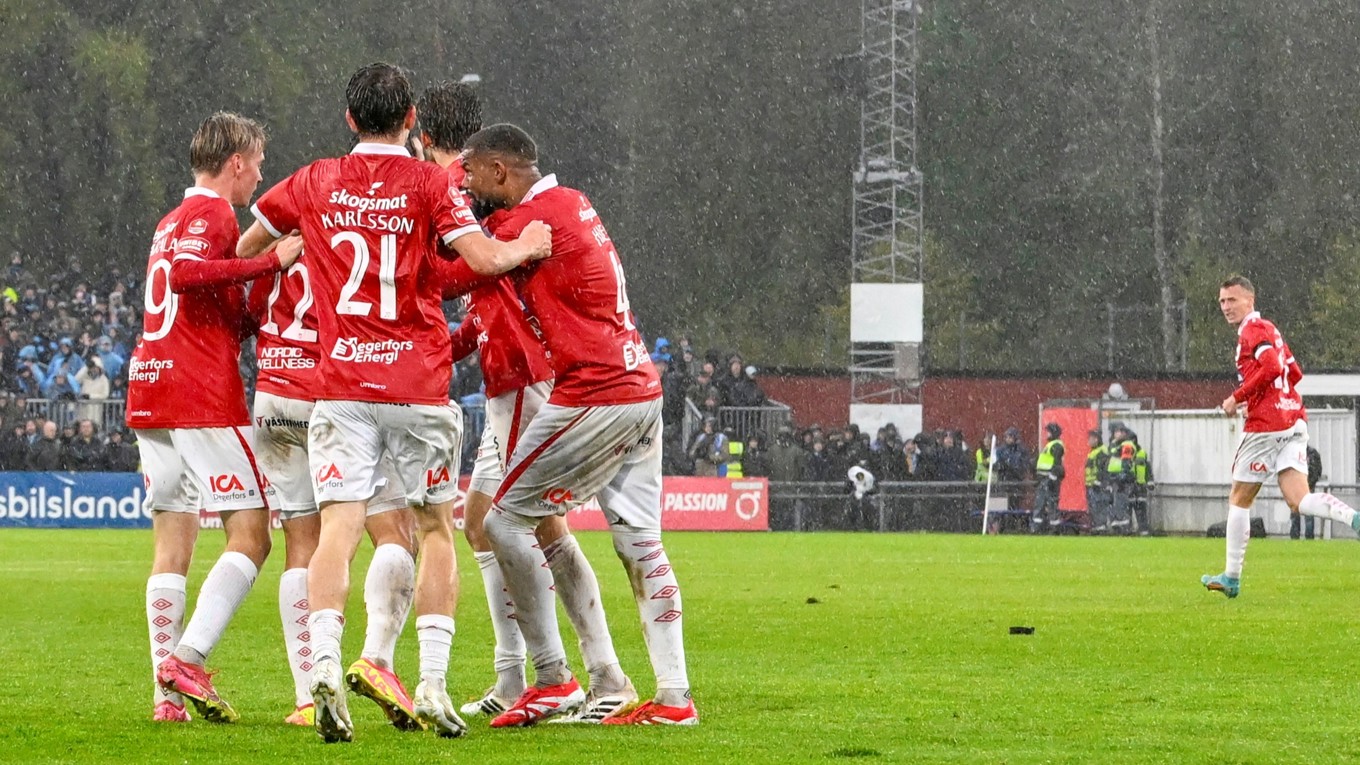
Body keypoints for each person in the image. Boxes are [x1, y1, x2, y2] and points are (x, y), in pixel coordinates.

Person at [238, 64, 550, 743]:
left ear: (350, 119)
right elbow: (482, 258)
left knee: (339, 528)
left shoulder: (313, 179)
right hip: (417, 384)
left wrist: (301, 247)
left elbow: (249, 243)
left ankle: (324, 664)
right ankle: (434, 682)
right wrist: (524, 244)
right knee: (437, 529)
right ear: (411, 117)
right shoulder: (432, 182)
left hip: (343, 387)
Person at [462, 123, 696, 726]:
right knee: (641, 543)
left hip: (595, 393)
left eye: (471, 175)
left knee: (504, 520)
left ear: (498, 173)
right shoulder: (574, 202)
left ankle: (552, 679)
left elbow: (452, 263)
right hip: (640, 385)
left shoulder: (524, 222)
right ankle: (673, 698)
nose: (467, 187)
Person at [414, 81, 580, 722]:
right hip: (510, 365)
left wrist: (418, 286)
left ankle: (571, 675)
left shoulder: (453, 186)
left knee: (526, 523)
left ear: (423, 138)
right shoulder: (480, 181)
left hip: (522, 368)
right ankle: (522, 676)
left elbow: (473, 270)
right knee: (486, 521)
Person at [129, 112, 302, 725]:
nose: (259, 173)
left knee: (171, 546)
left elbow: (211, 302)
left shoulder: (169, 221)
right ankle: (188, 659)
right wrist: (272, 261)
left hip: (151, 389)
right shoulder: (213, 214)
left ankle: (164, 699)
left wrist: (261, 301)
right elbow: (188, 275)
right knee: (251, 534)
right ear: (235, 162)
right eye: (256, 162)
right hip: (199, 392)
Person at [247, 230, 423, 730]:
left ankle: (306, 696)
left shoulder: (278, 246)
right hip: (331, 396)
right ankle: (376, 659)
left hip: (270, 397)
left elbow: (253, 311)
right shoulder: (344, 245)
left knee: (300, 543)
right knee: (392, 531)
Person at [1202, 276, 1360, 598]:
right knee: (1299, 500)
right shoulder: (1271, 330)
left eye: (1232, 300)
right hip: (1293, 419)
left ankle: (1231, 577)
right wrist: (1266, 397)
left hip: (1268, 424)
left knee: (1239, 498)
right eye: (1221, 301)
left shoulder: (1252, 330)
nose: (1226, 307)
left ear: (1250, 300)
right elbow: (1294, 372)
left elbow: (1272, 367)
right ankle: (1354, 518)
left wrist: (1239, 397)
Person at [1030, 423, 1065, 531]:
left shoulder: (1056, 445)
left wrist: (1052, 478)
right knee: (1043, 504)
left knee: (1048, 504)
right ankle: (1047, 526)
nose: (1047, 434)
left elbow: (1057, 464)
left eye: (1049, 431)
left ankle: (1048, 527)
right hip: (1045, 479)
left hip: (1048, 479)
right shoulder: (1051, 445)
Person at [1105, 423, 1136, 533]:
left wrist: (1123, 474)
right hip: (1113, 477)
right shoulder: (1114, 444)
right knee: (1113, 502)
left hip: (1122, 478)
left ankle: (1124, 527)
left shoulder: (1127, 444)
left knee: (1121, 502)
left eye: (1118, 431)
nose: (1116, 434)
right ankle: (1117, 525)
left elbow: (1126, 461)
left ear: (1124, 433)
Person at [1290, 446, 1324, 540]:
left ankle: (1308, 537)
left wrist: (1309, 484)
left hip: (1308, 488)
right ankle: (1295, 537)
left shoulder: (1312, 453)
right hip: (1295, 488)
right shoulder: (1293, 453)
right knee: (1295, 514)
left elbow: (1317, 471)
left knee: (1308, 515)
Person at [1083, 429, 1110, 531]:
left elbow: (1103, 468)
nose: (1088, 441)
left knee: (1098, 507)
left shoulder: (1101, 451)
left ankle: (1100, 528)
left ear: (1096, 439)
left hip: (1097, 486)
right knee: (1094, 508)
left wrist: (1099, 481)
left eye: (1090, 438)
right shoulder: (1094, 452)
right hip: (1091, 485)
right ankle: (1097, 527)